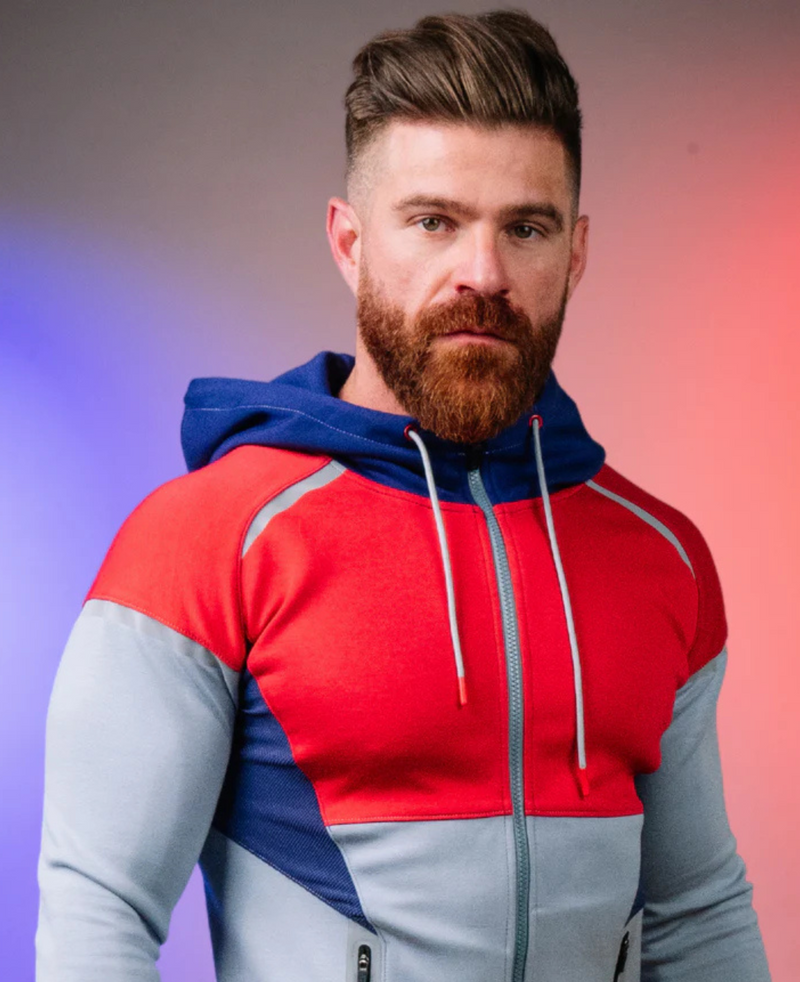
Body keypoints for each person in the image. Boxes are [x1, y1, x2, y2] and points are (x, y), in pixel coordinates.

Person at [36, 9, 771, 982]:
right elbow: (99, 916)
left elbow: (698, 913)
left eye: (525, 227)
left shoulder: (659, 555)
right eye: (434, 222)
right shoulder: (207, 542)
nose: (483, 275)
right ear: (349, 242)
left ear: (575, 253)